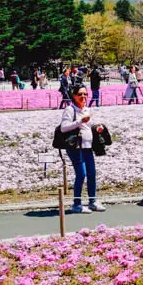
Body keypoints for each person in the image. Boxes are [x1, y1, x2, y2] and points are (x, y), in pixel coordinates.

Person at [60, 85, 106, 213]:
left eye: (85, 94)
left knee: (92, 174)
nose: (83, 96)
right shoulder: (70, 110)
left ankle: (92, 201)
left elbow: (89, 125)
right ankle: (77, 204)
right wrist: (80, 121)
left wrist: (97, 128)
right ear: (74, 96)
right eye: (80, 94)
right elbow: (64, 127)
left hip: (87, 147)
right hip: (75, 147)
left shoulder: (87, 109)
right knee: (81, 175)